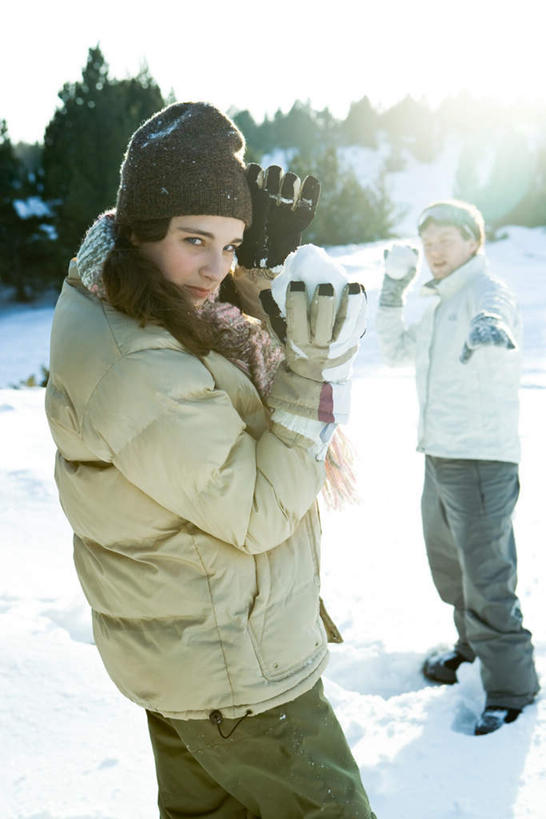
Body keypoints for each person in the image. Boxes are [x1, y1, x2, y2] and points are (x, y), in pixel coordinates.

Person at [45, 101, 375, 817]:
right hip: (234, 670)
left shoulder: (136, 298)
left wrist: (254, 278)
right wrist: (312, 372)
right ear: (141, 228)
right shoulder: (137, 362)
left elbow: (223, 379)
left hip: (194, 654)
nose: (215, 268)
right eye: (198, 239)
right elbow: (256, 510)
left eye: (229, 245)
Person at [376, 199, 539, 736]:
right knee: (451, 570)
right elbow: (396, 350)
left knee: (488, 577)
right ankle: (472, 650)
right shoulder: (440, 302)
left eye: (447, 239)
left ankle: (513, 689)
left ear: (474, 241)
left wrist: (489, 323)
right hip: (440, 456)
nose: (435, 251)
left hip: (481, 461)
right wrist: (394, 291)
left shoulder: (486, 291)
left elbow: (498, 307)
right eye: (428, 244)